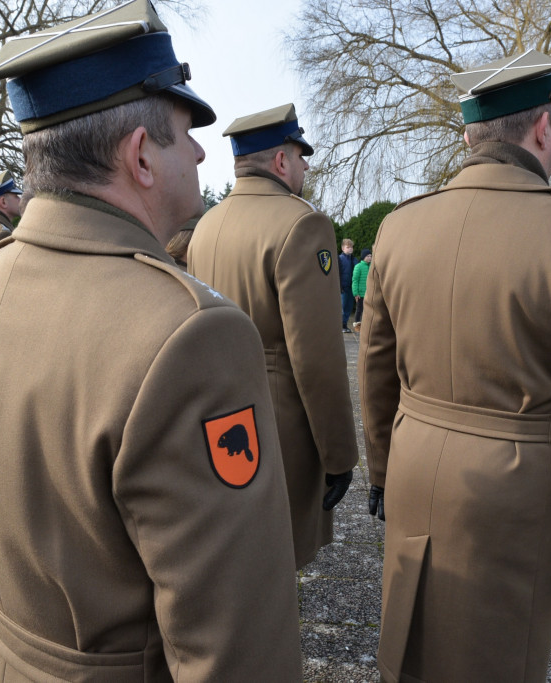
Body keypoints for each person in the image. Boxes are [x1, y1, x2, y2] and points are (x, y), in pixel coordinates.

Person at [0, 2, 302, 680]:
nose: (196, 151)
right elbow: (235, 639)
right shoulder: (191, 334)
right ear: (140, 156)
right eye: (184, 133)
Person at [359, 50, 551, 682]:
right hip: (515, 493)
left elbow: (376, 366)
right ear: (544, 128)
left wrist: (380, 469)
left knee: (409, 644)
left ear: (470, 136)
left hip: (414, 466)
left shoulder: (400, 227)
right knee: (499, 657)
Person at [188, 103, 358, 569]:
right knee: (278, 562)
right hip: (277, 422)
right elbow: (317, 357)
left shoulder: (206, 224)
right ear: (281, 161)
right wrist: (339, 452)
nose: (306, 165)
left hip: (212, 412)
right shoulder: (302, 224)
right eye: (301, 155)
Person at [338, 238, 356, 332]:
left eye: (351, 247)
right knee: (343, 307)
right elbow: (337, 274)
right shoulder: (340, 259)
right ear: (343, 248)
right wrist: (339, 287)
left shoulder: (354, 260)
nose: (350, 249)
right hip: (343, 288)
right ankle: (341, 326)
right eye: (348, 247)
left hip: (351, 288)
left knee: (349, 307)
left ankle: (344, 325)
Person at [352, 247, 372, 329]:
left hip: (370, 293)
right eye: (368, 256)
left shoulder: (372, 266)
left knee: (369, 310)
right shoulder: (358, 266)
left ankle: (367, 326)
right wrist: (355, 293)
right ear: (363, 257)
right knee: (359, 309)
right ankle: (357, 325)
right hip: (361, 293)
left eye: (371, 256)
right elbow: (355, 280)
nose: (370, 258)